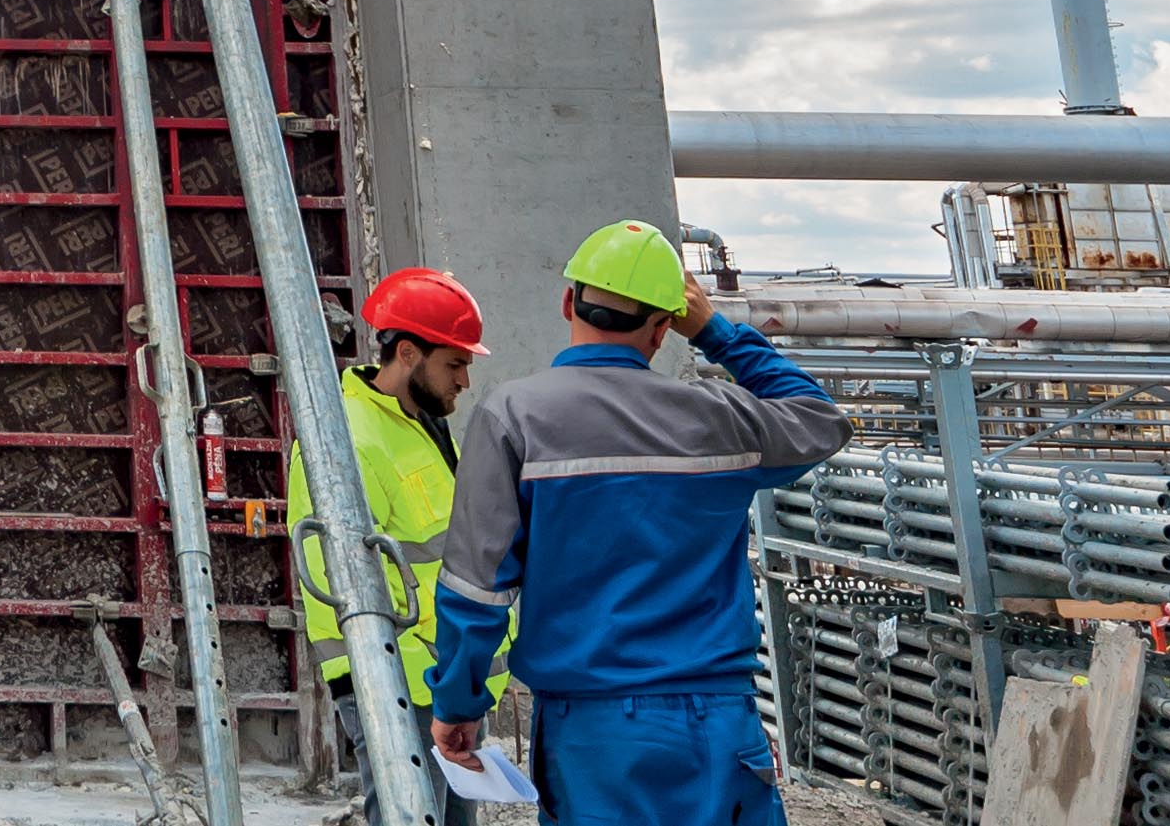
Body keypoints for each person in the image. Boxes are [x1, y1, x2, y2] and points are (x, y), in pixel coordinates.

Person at [425, 220, 842, 826]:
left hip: (590, 732)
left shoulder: (514, 417)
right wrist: (717, 333)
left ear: (568, 301)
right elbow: (820, 419)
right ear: (664, 328)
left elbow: (475, 589)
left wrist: (459, 702)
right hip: (719, 724)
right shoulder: (718, 417)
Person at [290, 264, 508, 756]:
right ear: (408, 353)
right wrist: (436, 672)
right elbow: (348, 581)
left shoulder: (421, 424)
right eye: (455, 364)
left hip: (446, 684)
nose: (466, 380)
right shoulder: (349, 436)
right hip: (401, 685)